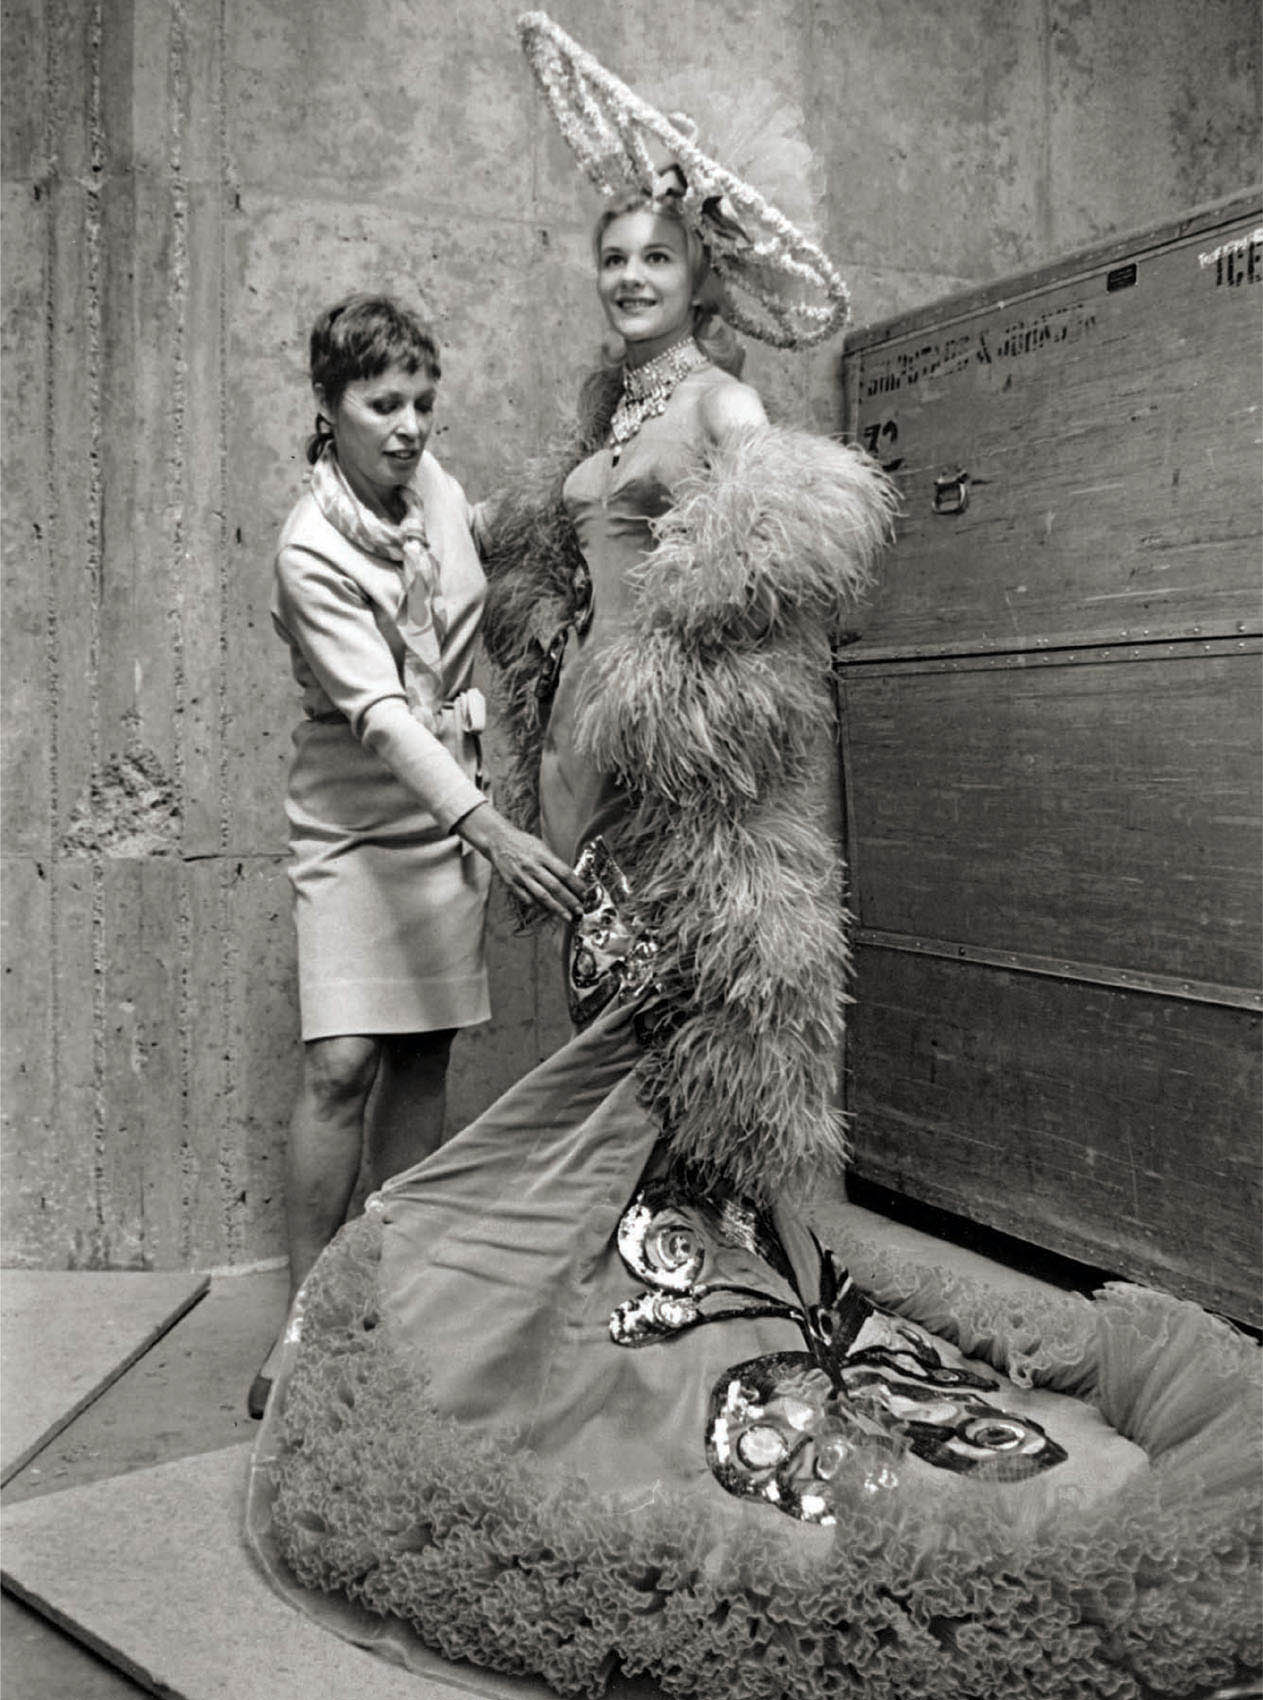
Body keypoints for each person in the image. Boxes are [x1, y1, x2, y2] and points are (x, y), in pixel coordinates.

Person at [246, 19, 1260, 1699]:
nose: (628, 277)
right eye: (612, 257)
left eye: (654, 257)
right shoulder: (613, 404)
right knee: (624, 1110)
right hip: (602, 809)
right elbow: (564, 573)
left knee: (642, 1105)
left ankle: (636, 1358)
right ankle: (570, 1317)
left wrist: (651, 735)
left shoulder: (717, 400)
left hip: (678, 817)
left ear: (697, 277)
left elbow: (758, 600)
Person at [252, 293, 581, 1416]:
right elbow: (384, 718)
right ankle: (305, 1328)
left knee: (423, 1057)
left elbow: (464, 542)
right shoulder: (309, 548)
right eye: (380, 402)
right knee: (339, 1062)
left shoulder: (428, 483)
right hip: (360, 815)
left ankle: (383, 1304)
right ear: (327, 406)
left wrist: (585, 501)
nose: (406, 425)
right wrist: (487, 825)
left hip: (450, 807)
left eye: (422, 404)